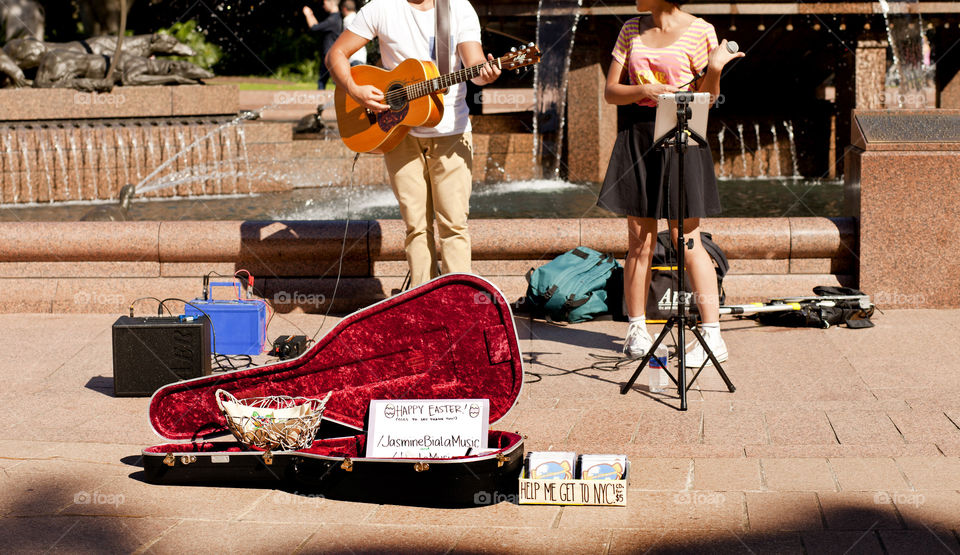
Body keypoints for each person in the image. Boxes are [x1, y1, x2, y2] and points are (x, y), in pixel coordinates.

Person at [597, 0, 743, 367]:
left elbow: (709, 98)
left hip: (682, 131)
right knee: (639, 241)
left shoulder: (700, 31)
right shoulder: (630, 29)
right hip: (637, 133)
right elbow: (611, 91)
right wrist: (642, 89)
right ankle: (637, 329)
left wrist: (713, 68)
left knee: (686, 238)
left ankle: (712, 335)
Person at [325, 0, 500, 287]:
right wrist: (354, 90)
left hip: (451, 130)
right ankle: (422, 304)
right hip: (398, 132)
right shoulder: (380, 7)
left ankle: (459, 302)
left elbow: (475, 66)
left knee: (454, 225)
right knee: (416, 227)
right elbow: (336, 54)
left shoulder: (458, 7)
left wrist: (488, 71)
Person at [303, 0, 343, 89]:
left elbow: (314, 28)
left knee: (332, 81)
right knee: (324, 80)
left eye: (324, 3)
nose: (323, 6)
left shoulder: (333, 19)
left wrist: (308, 14)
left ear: (331, 2)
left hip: (330, 55)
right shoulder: (335, 18)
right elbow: (318, 26)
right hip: (330, 54)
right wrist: (311, 15)